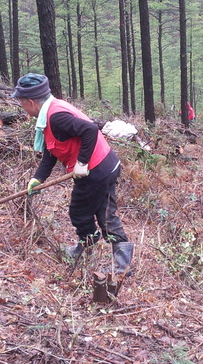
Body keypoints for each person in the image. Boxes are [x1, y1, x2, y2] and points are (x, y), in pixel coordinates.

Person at [13, 73, 133, 276]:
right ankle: (122, 264)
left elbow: (90, 130)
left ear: (31, 102)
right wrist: (38, 177)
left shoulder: (56, 116)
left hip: (96, 170)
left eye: (22, 103)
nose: (22, 108)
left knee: (79, 212)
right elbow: (52, 150)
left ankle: (87, 248)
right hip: (108, 164)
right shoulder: (50, 112)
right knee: (105, 214)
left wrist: (81, 162)